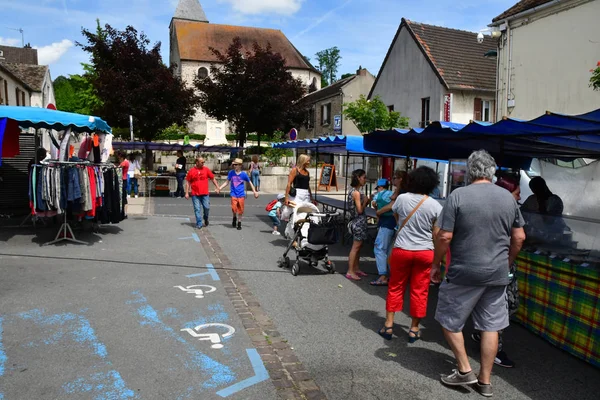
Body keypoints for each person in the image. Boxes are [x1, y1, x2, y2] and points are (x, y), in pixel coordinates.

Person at [431, 150, 526, 397]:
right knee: (491, 326)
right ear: (492, 171)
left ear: (471, 170)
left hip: (464, 271)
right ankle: (485, 381)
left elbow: (444, 235)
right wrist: (507, 262)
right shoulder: (508, 197)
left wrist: (435, 263)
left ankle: (464, 369)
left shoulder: (458, 195)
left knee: (449, 320)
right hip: (497, 273)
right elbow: (519, 237)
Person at [377, 167, 442, 342]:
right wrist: (438, 260)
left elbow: (398, 220)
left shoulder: (402, 199)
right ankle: (414, 329)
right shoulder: (435, 205)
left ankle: (389, 325)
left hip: (402, 249)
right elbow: (436, 234)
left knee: (396, 286)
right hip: (424, 251)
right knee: (420, 290)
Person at [471, 174, 521, 368]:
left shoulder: (486, 207)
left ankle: (483, 333)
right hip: (501, 265)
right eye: (517, 193)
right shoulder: (510, 209)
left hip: (484, 263)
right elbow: (519, 238)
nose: (519, 197)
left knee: (495, 305)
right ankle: (495, 350)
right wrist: (509, 261)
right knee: (503, 307)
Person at [219, 158, 259, 230]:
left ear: (240, 165)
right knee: (234, 209)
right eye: (234, 165)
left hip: (241, 195)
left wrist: (255, 192)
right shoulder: (231, 173)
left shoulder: (243, 174)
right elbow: (227, 182)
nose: (235, 166)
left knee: (240, 209)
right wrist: (219, 188)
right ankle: (234, 217)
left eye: (236, 165)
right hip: (233, 194)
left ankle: (239, 223)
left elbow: (250, 182)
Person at [346, 169, 371, 281]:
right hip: (358, 221)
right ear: (358, 178)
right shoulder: (356, 193)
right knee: (355, 247)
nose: (365, 180)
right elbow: (359, 210)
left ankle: (356, 268)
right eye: (364, 177)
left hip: (357, 221)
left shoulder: (354, 191)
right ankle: (350, 270)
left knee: (358, 247)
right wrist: (366, 201)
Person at [370, 178, 395, 286]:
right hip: (394, 223)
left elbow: (374, 204)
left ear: (380, 187)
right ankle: (391, 274)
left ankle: (383, 275)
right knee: (390, 250)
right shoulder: (393, 194)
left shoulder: (377, 195)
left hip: (385, 224)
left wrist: (378, 209)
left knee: (379, 248)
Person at [185, 157, 220, 229]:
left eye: (204, 162)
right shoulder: (191, 171)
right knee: (197, 209)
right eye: (202, 162)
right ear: (197, 162)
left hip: (205, 193)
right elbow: (188, 182)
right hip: (195, 194)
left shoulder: (206, 170)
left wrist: (217, 187)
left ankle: (206, 218)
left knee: (207, 208)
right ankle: (199, 223)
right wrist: (187, 193)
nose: (203, 163)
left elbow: (213, 178)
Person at [117, 152, 130, 218]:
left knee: (123, 196)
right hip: (124, 179)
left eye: (119, 157)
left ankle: (123, 213)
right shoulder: (127, 162)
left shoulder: (124, 163)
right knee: (124, 196)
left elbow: (118, 169)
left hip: (122, 180)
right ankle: (125, 213)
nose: (118, 159)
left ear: (122, 157)